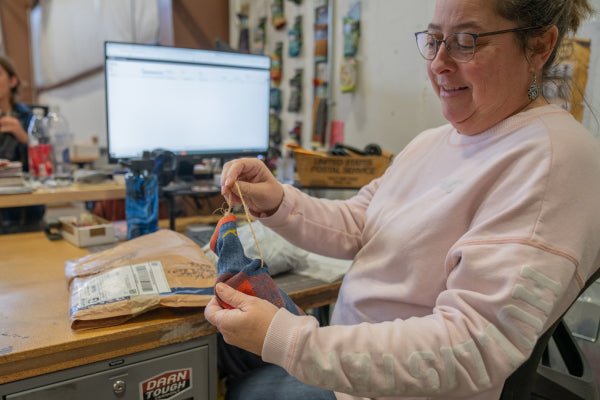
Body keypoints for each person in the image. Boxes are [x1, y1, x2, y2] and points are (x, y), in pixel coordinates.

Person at [205, 0, 600, 399]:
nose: (438, 63)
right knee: (213, 325)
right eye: (434, 40)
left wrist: (288, 339)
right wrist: (277, 202)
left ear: (539, 47)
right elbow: (364, 224)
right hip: (344, 354)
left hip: (385, 388)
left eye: (465, 41)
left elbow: (472, 347)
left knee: (221, 376)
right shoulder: (435, 140)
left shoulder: (553, 159)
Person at [0, 55, 44, 233]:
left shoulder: (30, 118)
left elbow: (44, 166)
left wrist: (24, 137)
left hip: (27, 211)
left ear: (13, 80)